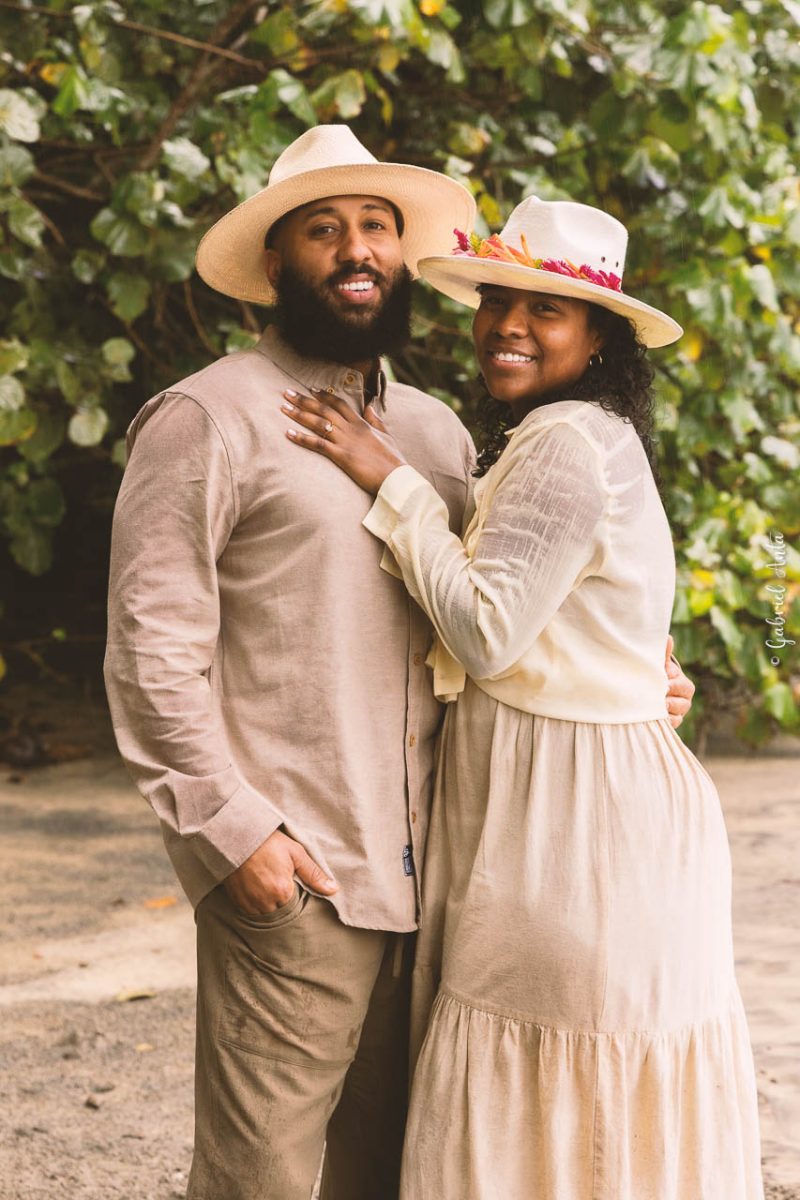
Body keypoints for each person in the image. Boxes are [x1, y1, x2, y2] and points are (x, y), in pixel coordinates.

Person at [104, 122, 694, 1199]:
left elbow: (506, 602)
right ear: (275, 261)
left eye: (375, 226)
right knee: (258, 1180)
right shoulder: (206, 419)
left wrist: (631, 668)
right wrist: (234, 834)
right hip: (301, 877)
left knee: (396, 1176)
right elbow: (152, 652)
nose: (357, 250)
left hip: (445, 885)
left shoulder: (432, 435)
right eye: (323, 229)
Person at [280, 195, 763, 1199]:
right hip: (590, 804)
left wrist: (390, 481)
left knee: (540, 1091)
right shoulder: (580, 436)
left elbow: (487, 630)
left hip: (575, 828)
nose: (509, 323)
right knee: (585, 1117)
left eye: (545, 308)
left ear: (598, 336)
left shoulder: (563, 442)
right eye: (497, 300)